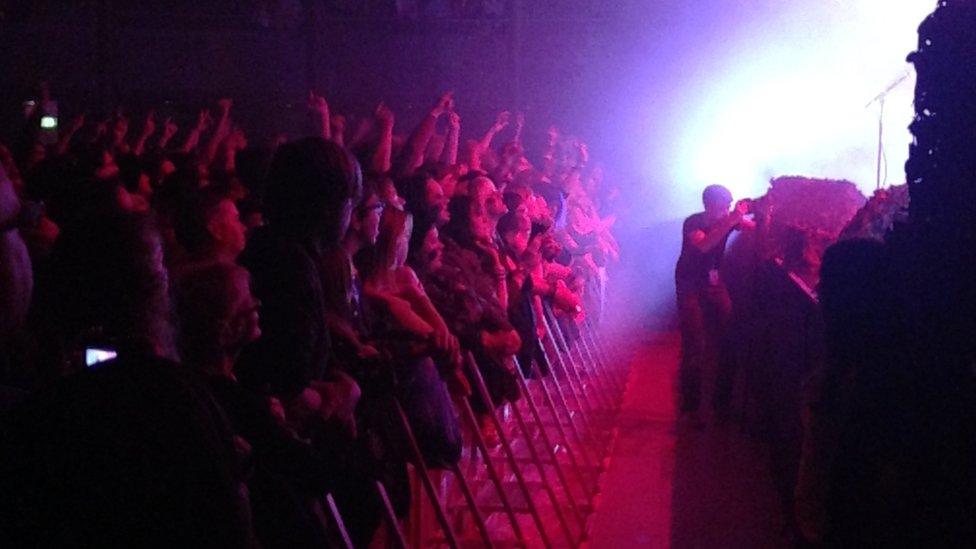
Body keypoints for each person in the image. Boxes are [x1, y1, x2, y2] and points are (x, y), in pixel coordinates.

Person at [674, 184, 753, 426]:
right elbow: (704, 245)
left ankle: (722, 404)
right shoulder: (693, 223)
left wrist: (754, 214)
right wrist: (732, 220)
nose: (729, 209)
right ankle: (691, 409)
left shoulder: (727, 220)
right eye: (726, 205)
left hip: (714, 283)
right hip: (690, 285)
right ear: (712, 205)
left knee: (732, 333)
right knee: (695, 344)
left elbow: (750, 226)